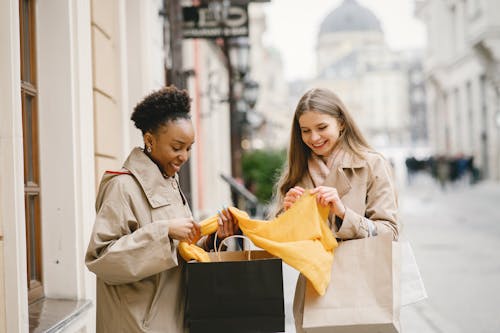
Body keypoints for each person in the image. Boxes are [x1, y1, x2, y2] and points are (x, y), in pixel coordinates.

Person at [85, 86, 237, 333]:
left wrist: (214, 240)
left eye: (189, 148)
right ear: (149, 141)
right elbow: (102, 259)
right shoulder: (122, 186)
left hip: (174, 319)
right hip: (137, 325)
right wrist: (164, 231)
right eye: (177, 147)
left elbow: (178, 251)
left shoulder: (169, 183)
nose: (184, 156)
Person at [269, 88, 399, 331]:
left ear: (340, 123)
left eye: (321, 127)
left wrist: (343, 214)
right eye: (305, 131)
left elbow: (389, 233)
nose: (313, 137)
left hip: (363, 289)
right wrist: (288, 216)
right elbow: (285, 249)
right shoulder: (296, 174)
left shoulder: (371, 164)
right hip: (315, 294)